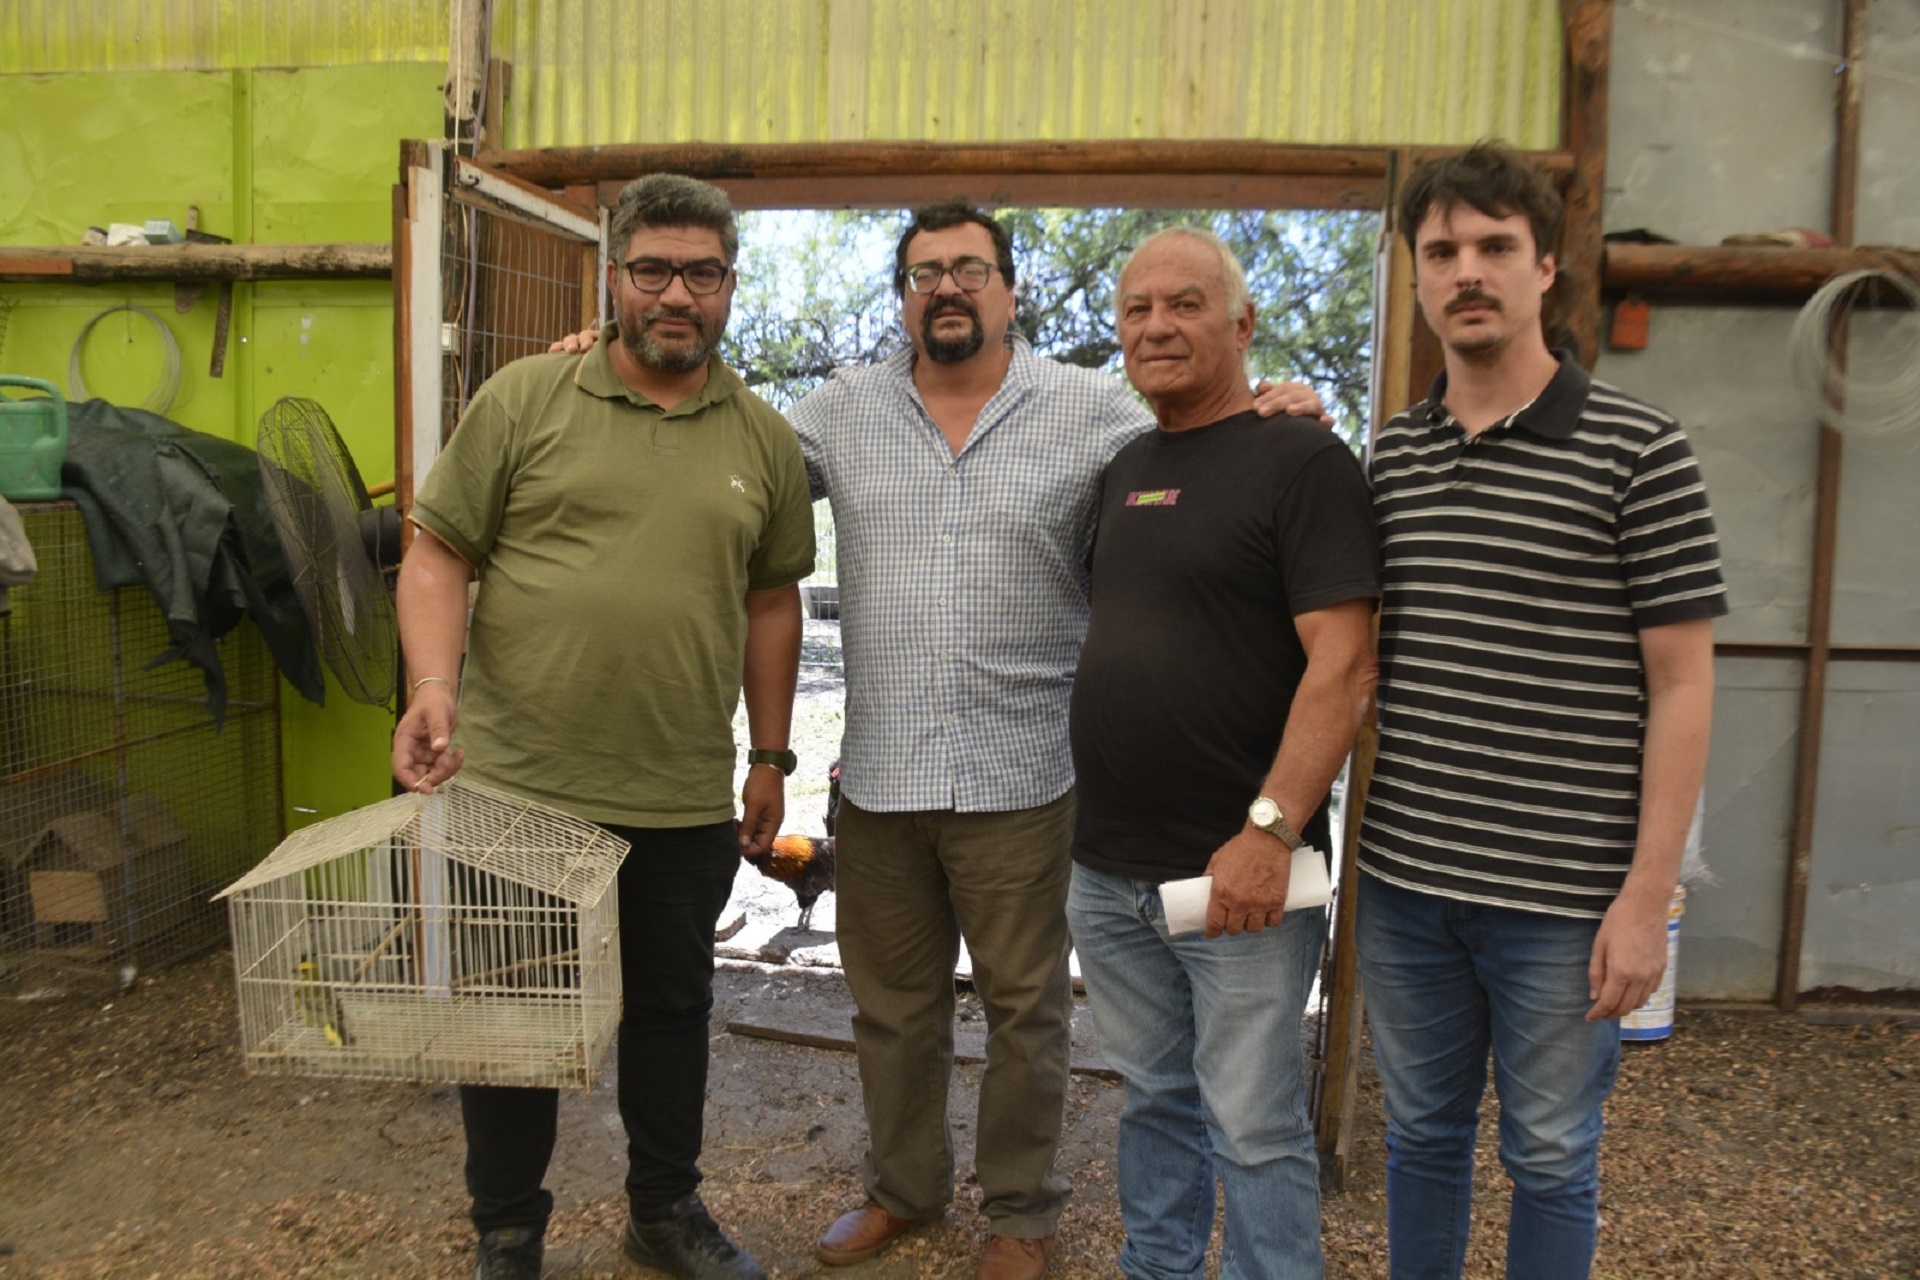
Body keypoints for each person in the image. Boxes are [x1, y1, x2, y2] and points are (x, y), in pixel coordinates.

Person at [557, 202, 1327, 1280]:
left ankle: (1021, 1211)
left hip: (1029, 775)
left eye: (970, 269)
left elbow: (1203, 439)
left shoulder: (1095, 412)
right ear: (905, 297)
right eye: (924, 274)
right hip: (880, 779)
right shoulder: (834, 416)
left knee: (1027, 1014)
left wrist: (1278, 405)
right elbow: (713, 455)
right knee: (892, 1010)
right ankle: (904, 1190)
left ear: (1011, 288)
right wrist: (600, 380)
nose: (947, 288)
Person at [391, 174, 814, 1280]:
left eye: (703, 272)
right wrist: (434, 680)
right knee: (513, 1018)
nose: (679, 294)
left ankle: (663, 1210)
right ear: (615, 276)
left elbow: (774, 601)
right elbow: (439, 550)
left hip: (677, 790)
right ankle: (508, 1230)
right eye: (655, 269)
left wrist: (769, 755)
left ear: (730, 287)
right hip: (522, 780)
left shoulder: (765, 440)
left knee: (673, 1010)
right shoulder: (527, 398)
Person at [1356, 142, 1726, 1280]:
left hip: (1564, 904)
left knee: (1555, 1152)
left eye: (1494, 248)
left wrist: (1646, 896)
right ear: (1417, 279)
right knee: (1420, 1137)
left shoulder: (1639, 450)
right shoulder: (1391, 459)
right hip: (1408, 884)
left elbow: (1685, 683)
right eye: (1443, 251)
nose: (1469, 271)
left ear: (1545, 269)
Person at [1065, 227, 1380, 1280]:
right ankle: (1157, 1267)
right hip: (1110, 869)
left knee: (1254, 1123)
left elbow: (1342, 666)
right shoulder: (1124, 468)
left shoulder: (1303, 460)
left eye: (1187, 303)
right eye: (1138, 308)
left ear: (1242, 324)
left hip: (1242, 872)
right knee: (1154, 1099)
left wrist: (1269, 830)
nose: (1158, 325)